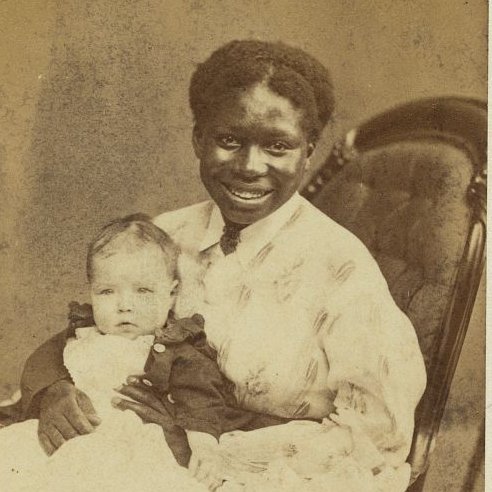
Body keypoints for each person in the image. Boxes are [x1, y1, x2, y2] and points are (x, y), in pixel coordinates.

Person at [16, 40, 426, 491]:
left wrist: (197, 444)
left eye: (278, 146)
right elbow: (84, 333)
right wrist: (52, 390)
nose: (251, 166)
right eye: (229, 140)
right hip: (125, 457)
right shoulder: (163, 235)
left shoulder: (343, 273)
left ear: (308, 151)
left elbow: (374, 439)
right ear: (198, 139)